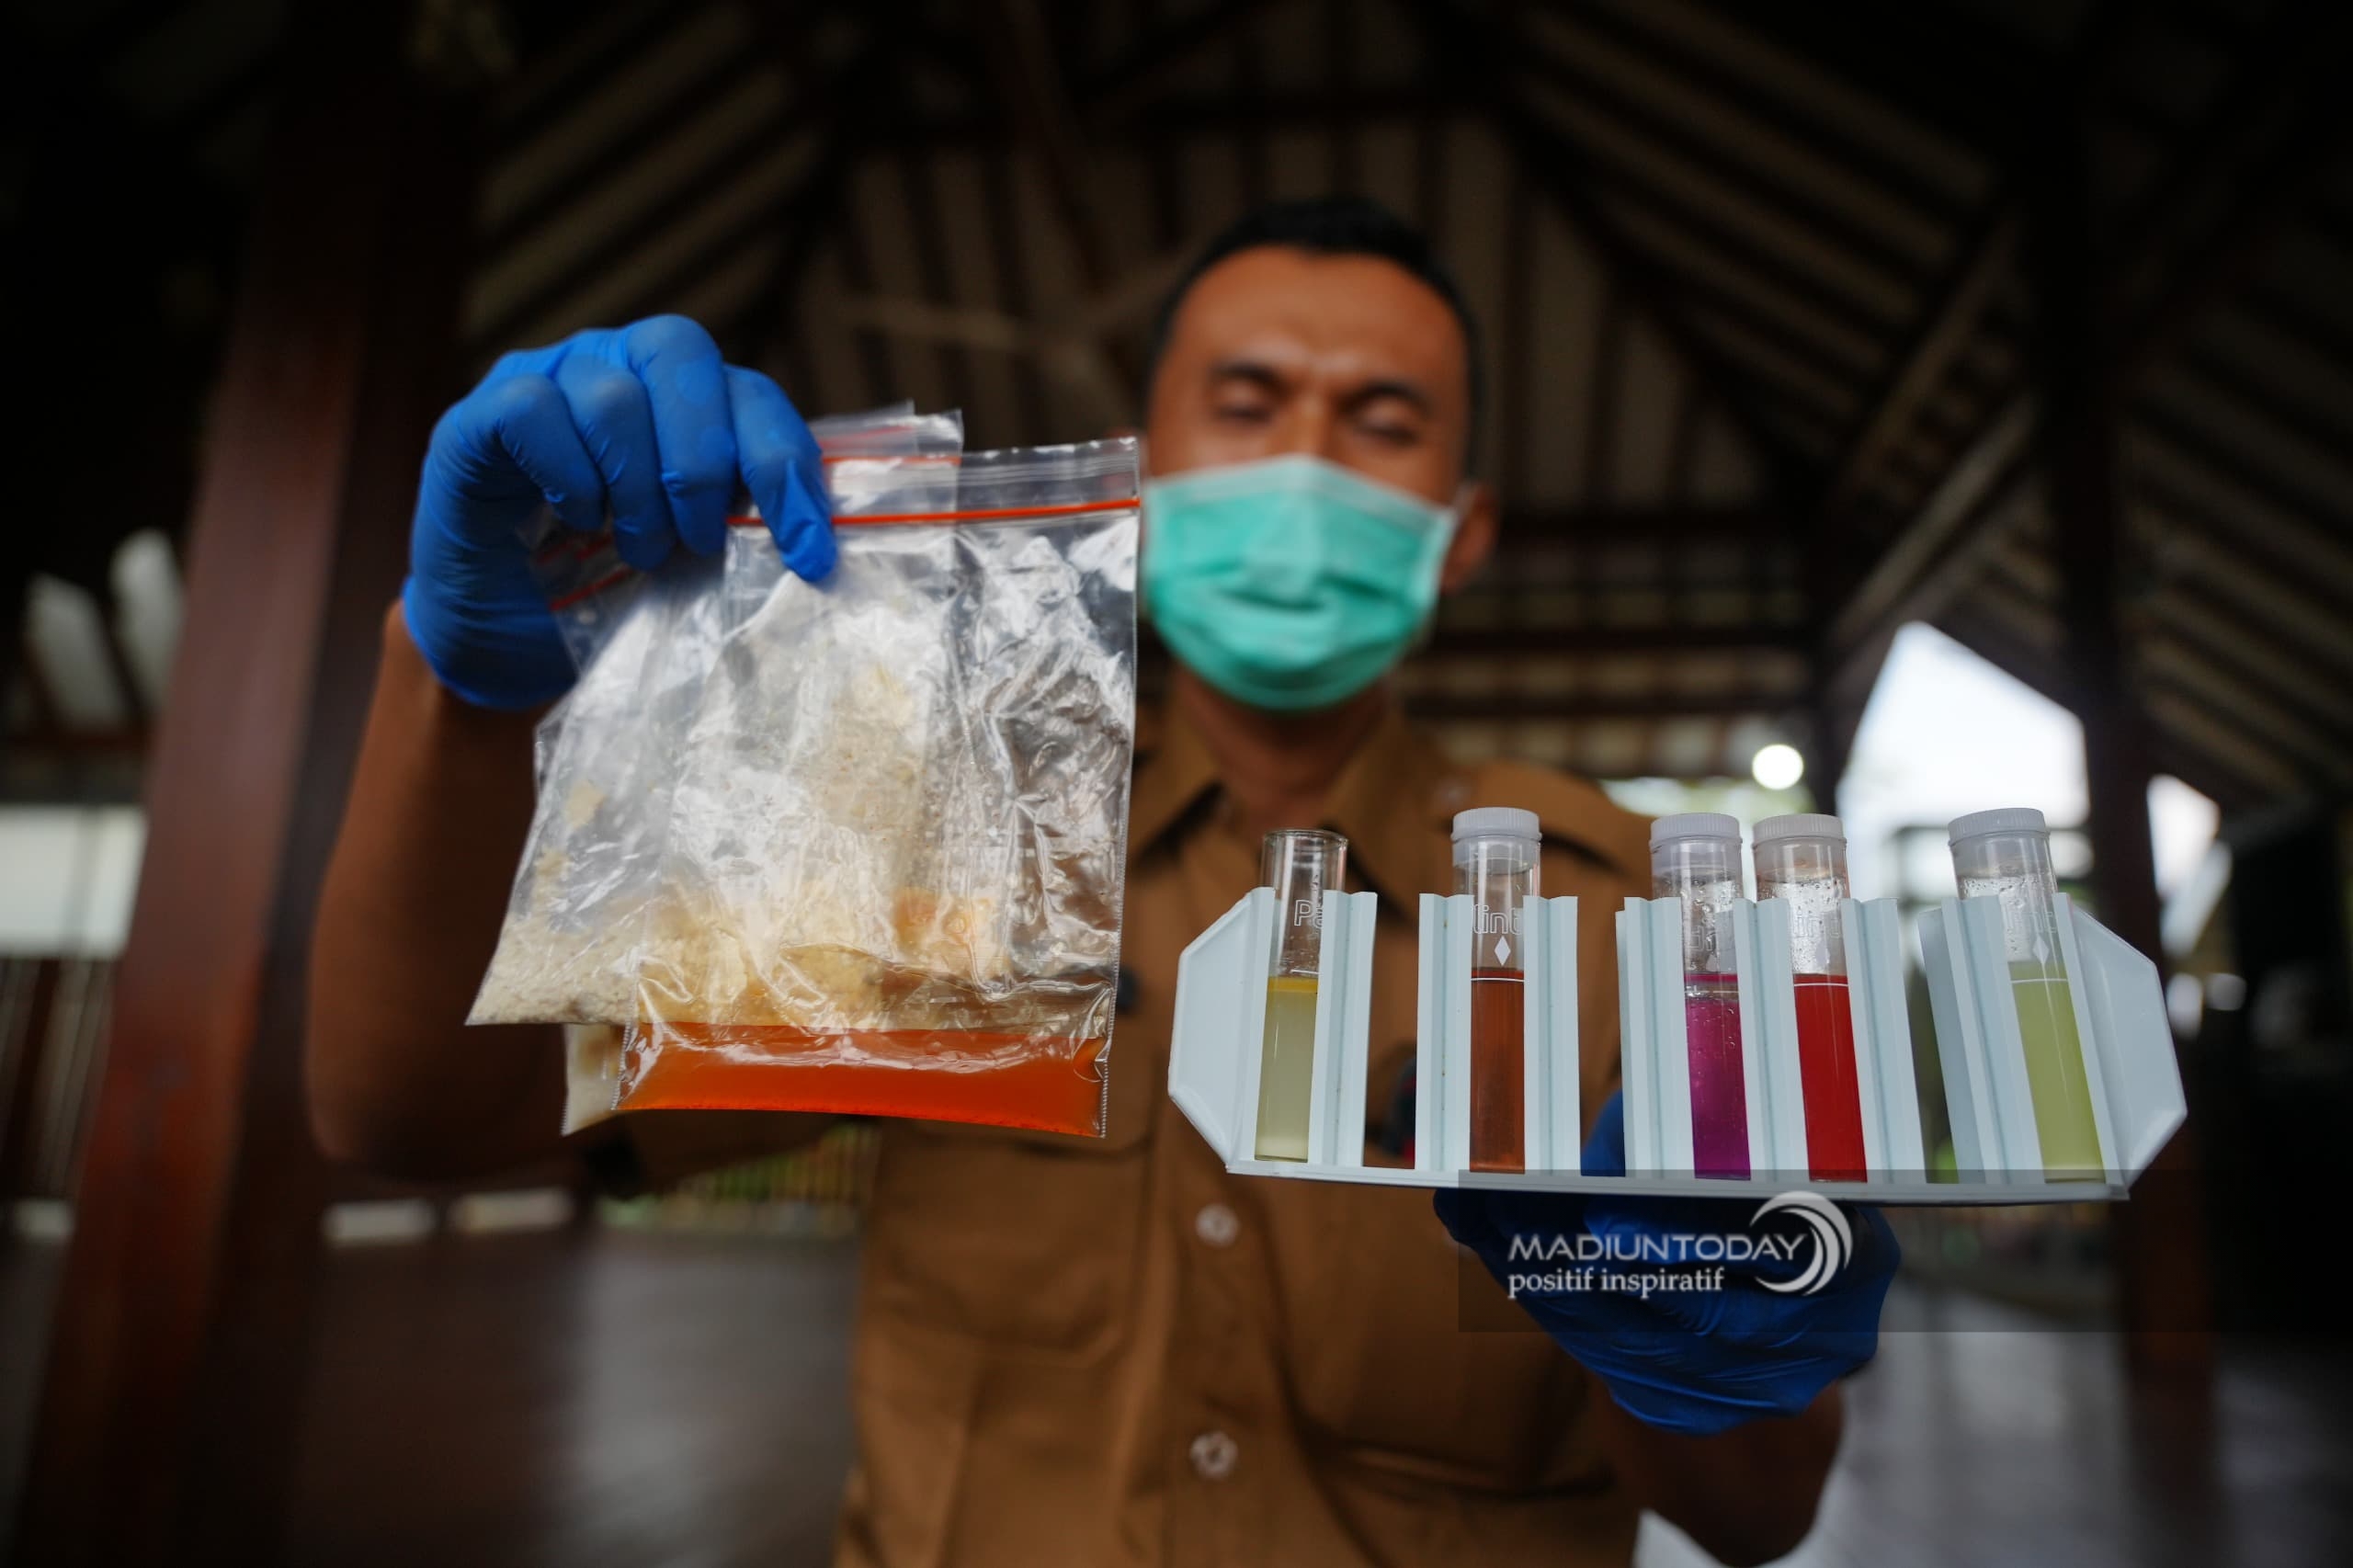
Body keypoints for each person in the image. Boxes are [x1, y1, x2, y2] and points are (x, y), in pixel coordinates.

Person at [310, 198, 1894, 1567]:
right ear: (1151, 470)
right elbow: (425, 1117)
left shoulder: (1620, 929)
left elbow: (1762, 1511)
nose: (1304, 465)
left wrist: (1699, 1341)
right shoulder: (927, 832)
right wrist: (456, 692)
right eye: (1249, 403)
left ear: (1460, 532)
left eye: (1381, 421)